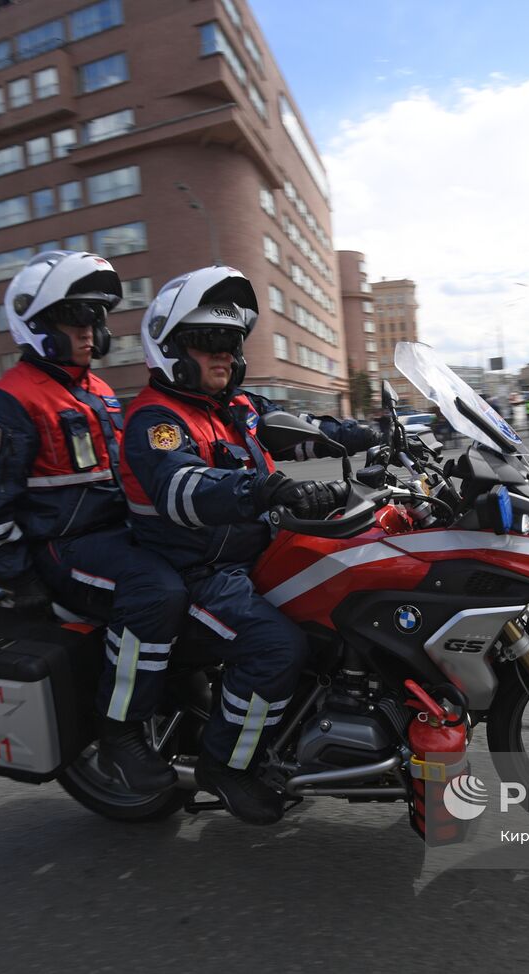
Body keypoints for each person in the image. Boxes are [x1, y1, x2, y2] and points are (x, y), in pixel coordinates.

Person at [120, 266, 379, 825]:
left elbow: (306, 428)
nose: (223, 354)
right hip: (197, 572)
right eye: (208, 341)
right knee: (275, 647)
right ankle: (226, 765)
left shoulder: (237, 407)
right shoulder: (155, 420)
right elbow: (181, 487)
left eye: (231, 342)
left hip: (255, 555)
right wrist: (269, 486)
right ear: (170, 348)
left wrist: (376, 436)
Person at [0, 251, 188, 793]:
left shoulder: (98, 391)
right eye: (76, 320)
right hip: (61, 548)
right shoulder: (6, 400)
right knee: (155, 592)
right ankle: (120, 732)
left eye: (96, 320)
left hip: (113, 535)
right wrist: (18, 578)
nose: (91, 332)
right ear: (36, 326)